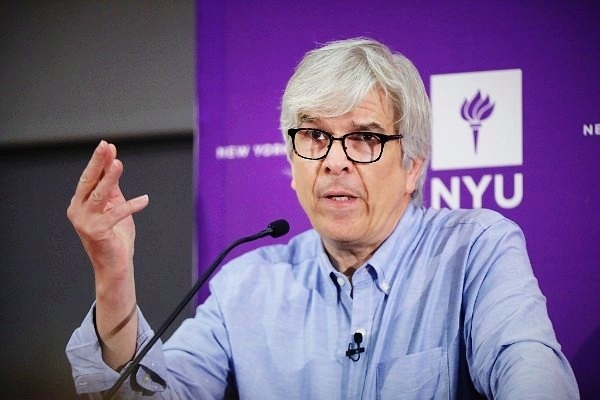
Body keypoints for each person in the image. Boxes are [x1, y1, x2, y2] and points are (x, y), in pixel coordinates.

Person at [66, 37, 579, 399]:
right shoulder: (245, 285)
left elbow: (531, 372)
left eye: (365, 137)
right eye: (314, 137)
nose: (335, 160)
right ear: (292, 164)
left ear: (412, 167)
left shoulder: (476, 251)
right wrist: (114, 274)